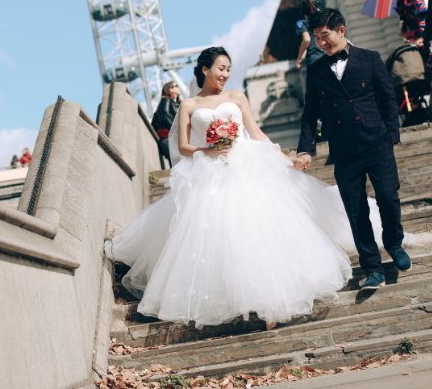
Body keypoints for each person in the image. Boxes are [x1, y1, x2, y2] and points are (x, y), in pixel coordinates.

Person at [106, 47, 364, 329]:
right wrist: (209, 149)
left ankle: (270, 303)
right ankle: (234, 299)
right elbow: (183, 147)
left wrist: (285, 158)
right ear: (205, 69)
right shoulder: (189, 105)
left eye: (228, 69)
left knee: (258, 232)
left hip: (246, 165)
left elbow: (256, 134)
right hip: (210, 171)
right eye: (220, 68)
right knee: (221, 235)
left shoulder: (237, 97)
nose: (225, 75)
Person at [294, 8, 411, 292]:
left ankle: (394, 243)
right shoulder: (317, 70)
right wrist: (304, 149)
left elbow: (387, 97)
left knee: (387, 197)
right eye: (318, 39)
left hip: (376, 142)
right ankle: (371, 267)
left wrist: (391, 135)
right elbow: (310, 114)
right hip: (344, 150)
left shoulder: (369, 58)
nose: (322, 43)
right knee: (355, 210)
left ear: (341, 31)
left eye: (326, 36)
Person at [150, 80, 182, 164]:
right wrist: (179, 130)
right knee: (179, 162)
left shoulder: (178, 104)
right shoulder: (166, 101)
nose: (179, 87)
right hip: (169, 137)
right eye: (176, 86)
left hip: (175, 136)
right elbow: (165, 117)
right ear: (170, 89)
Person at [295, 0, 324, 69]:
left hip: (315, 60)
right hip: (328, 57)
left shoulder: (302, 23)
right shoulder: (322, 20)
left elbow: (306, 40)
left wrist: (299, 59)